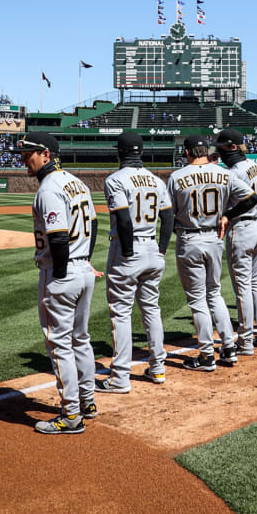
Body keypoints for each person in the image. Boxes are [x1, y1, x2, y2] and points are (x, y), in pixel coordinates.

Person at [11, 131, 98, 435]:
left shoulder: (49, 188)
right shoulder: (77, 182)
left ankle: (71, 415)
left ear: (46, 154)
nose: (25, 161)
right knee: (81, 339)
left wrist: (59, 277)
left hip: (61, 272)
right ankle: (87, 402)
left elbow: (58, 236)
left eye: (29, 155)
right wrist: (85, 259)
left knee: (60, 344)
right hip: (83, 268)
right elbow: (96, 223)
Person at [168, 134, 257, 371]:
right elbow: (252, 199)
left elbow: (168, 213)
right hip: (215, 237)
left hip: (190, 238)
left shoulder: (177, 177)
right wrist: (227, 215)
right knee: (215, 294)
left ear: (186, 153)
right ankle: (229, 348)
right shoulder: (224, 173)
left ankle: (207, 355)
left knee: (198, 299)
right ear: (206, 151)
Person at [95, 132, 173, 394]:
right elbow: (168, 218)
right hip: (152, 248)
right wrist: (161, 250)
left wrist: (127, 252)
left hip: (129, 249)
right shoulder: (155, 180)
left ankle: (120, 378)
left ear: (121, 153)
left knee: (121, 313)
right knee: (151, 309)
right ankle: (158, 367)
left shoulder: (115, 180)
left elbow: (124, 221)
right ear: (140, 153)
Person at [214, 129, 257, 354]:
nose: (219, 152)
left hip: (243, 228)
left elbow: (250, 200)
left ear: (232, 147)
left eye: (221, 148)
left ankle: (246, 341)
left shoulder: (235, 171)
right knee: (254, 282)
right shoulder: (253, 165)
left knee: (242, 287)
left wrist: (227, 215)